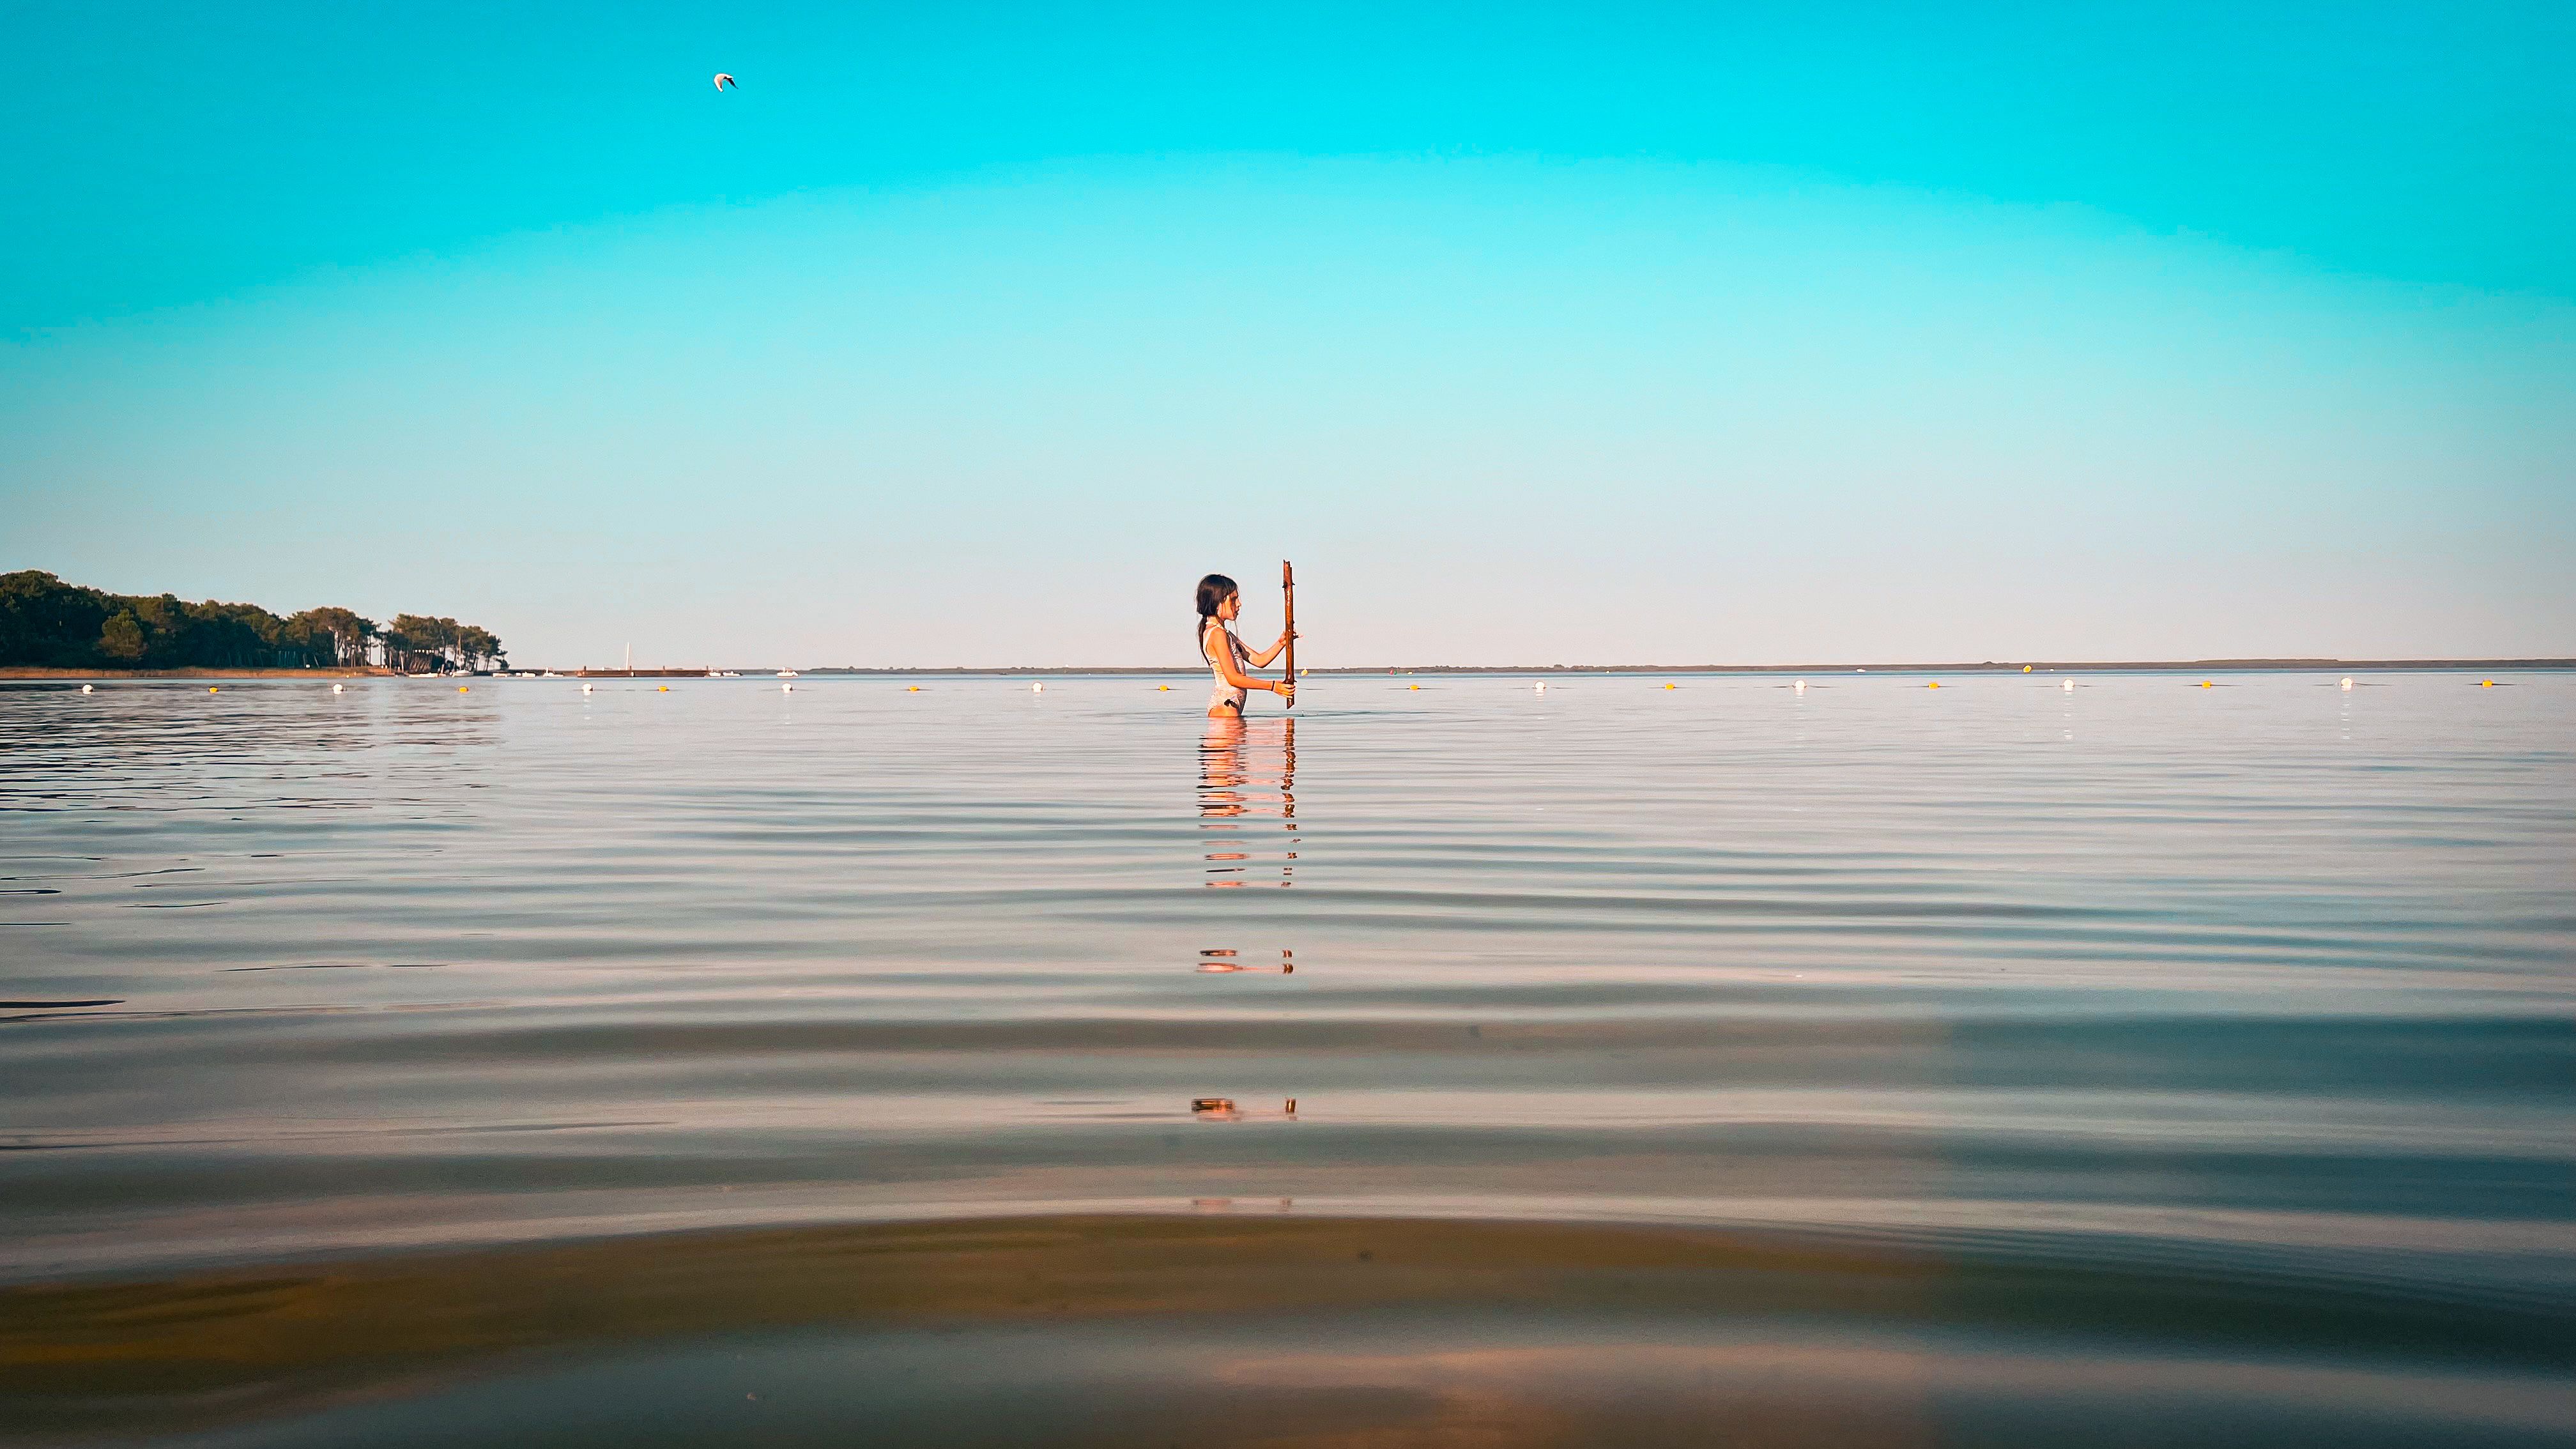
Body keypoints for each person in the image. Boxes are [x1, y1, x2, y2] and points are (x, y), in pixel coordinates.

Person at [1195, 572, 1294, 717]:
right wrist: (1273, 686)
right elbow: (1233, 678)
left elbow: (1259, 661)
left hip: (1228, 708)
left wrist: (1282, 643)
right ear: (1218, 602)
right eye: (1234, 599)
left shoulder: (1224, 633)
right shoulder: (1217, 634)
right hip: (1226, 708)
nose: (1239, 604)